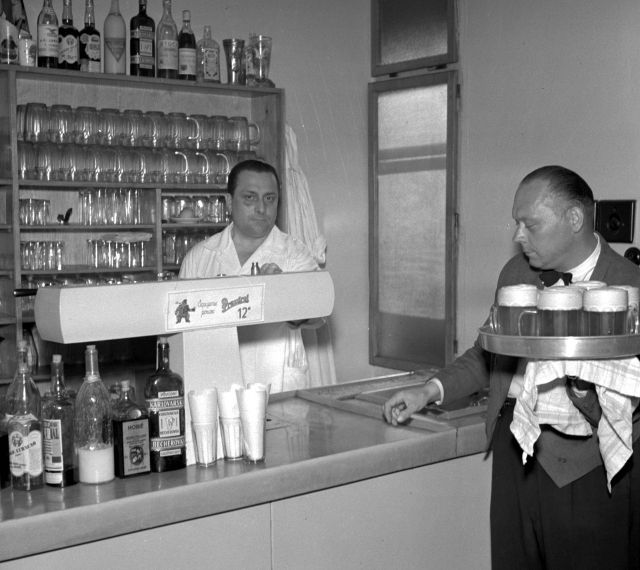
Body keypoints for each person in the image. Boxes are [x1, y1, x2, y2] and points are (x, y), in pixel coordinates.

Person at [383, 165, 640, 569]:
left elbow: (629, 403)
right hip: (515, 455)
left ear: (574, 219)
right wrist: (429, 390)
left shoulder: (628, 287)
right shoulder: (516, 275)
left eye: (530, 224)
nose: (518, 236)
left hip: (592, 467)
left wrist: (583, 388)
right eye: (517, 223)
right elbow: (488, 354)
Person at [179, 159, 319, 392]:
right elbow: (181, 329)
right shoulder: (199, 258)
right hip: (214, 384)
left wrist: (282, 293)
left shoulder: (295, 254)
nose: (261, 209)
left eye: (269, 199)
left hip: (277, 385)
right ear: (229, 201)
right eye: (250, 197)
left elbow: (315, 314)